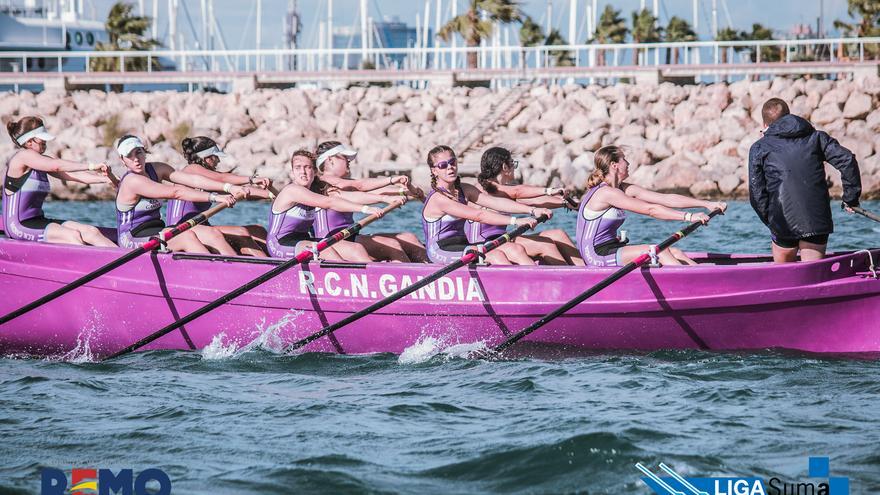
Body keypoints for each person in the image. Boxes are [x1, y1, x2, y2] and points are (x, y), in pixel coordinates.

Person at [749, 98, 861, 263]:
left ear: (765, 125)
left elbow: (756, 194)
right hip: (816, 220)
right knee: (811, 276)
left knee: (784, 277)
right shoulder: (817, 137)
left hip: (782, 220)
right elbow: (847, 160)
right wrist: (851, 199)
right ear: (789, 116)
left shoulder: (759, 147)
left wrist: (772, 220)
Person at [578, 145, 725, 267]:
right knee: (656, 251)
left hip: (612, 248)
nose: (628, 164)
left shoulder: (623, 189)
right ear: (614, 165)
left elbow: (665, 199)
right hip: (596, 256)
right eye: (624, 159)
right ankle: (691, 286)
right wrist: (690, 217)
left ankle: (708, 281)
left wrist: (706, 204)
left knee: (676, 253)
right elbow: (651, 210)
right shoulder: (606, 193)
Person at [114, 135, 243, 253]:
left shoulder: (157, 169)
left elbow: (192, 179)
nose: (136, 159)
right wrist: (216, 197)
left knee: (212, 234)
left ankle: (239, 271)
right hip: (132, 238)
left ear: (144, 152)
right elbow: (177, 192)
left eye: (138, 152)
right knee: (187, 237)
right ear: (122, 160)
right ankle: (214, 273)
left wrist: (228, 187)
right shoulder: (132, 180)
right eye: (129, 155)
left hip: (157, 230)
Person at [3, 116, 117, 246]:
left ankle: (129, 262)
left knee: (91, 232)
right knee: (71, 236)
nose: (45, 142)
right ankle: (86, 265)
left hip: (38, 221)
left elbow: (75, 176)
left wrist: (105, 179)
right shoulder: (23, 157)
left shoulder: (41, 162)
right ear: (29, 142)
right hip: (17, 226)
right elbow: (56, 165)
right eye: (42, 139)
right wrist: (92, 166)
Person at [422, 145, 543, 265]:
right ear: (434, 170)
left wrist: (532, 210)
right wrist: (515, 221)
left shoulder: (465, 189)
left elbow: (496, 203)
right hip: (440, 250)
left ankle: (538, 281)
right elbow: (479, 215)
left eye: (452, 162)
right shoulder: (438, 198)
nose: (450, 167)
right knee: (496, 256)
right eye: (443, 165)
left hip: (463, 244)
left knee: (516, 249)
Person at [267, 149, 395, 261]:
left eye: (307, 167)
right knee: (326, 250)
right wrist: (365, 209)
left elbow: (347, 196)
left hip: (304, 241)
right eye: (298, 167)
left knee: (356, 249)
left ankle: (370, 277)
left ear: (315, 171)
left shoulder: (317, 189)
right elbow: (329, 203)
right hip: (279, 244)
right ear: (292, 172)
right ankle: (346, 276)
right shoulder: (292, 190)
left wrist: (385, 198)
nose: (303, 172)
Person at [314, 141, 427, 262]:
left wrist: (403, 191)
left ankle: (432, 271)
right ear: (330, 159)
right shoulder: (323, 183)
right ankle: (407, 277)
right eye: (345, 157)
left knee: (410, 238)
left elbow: (374, 190)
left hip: (351, 237)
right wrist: (392, 181)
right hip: (331, 242)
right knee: (392, 245)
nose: (349, 161)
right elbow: (361, 187)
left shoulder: (344, 183)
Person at [470, 146, 584, 266]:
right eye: (513, 163)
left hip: (502, 238)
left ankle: (588, 274)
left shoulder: (504, 191)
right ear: (504, 167)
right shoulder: (482, 189)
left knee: (558, 234)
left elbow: (535, 200)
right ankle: (570, 281)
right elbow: (518, 191)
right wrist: (549, 190)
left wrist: (567, 203)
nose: (514, 167)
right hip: (484, 244)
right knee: (545, 244)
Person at [166, 136, 273, 257]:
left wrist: (272, 195)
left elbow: (241, 191)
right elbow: (222, 178)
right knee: (241, 233)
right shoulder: (192, 169)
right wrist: (252, 179)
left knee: (258, 230)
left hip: (201, 227)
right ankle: (268, 270)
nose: (218, 161)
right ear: (206, 158)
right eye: (215, 157)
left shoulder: (206, 179)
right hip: (181, 229)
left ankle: (280, 261)